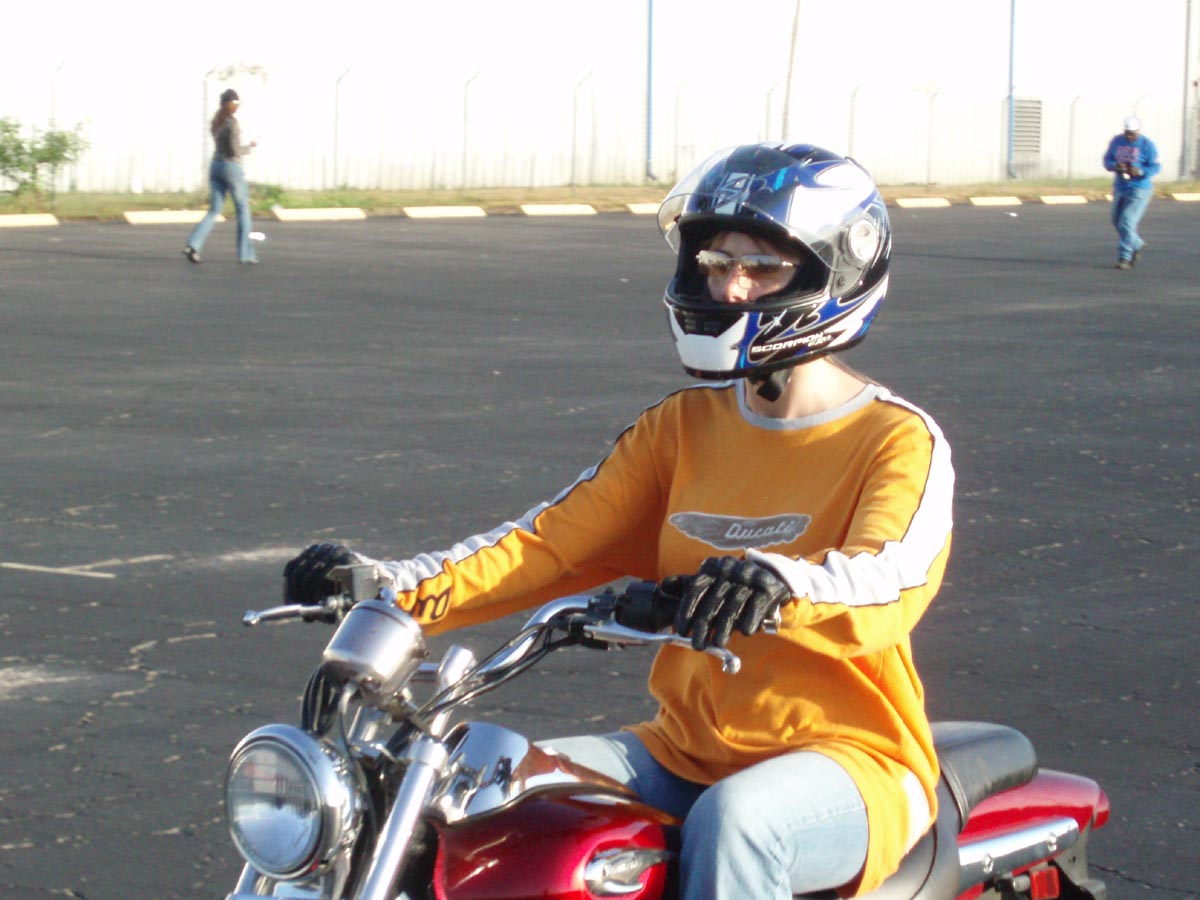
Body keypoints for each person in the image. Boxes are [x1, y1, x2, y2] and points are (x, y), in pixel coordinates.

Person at [283, 143, 955, 899]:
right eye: (716, 263)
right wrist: (384, 586)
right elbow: (548, 544)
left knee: (738, 822)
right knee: (495, 788)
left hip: (853, 758)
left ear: (833, 274)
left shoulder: (896, 439)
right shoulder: (682, 428)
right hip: (682, 750)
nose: (730, 287)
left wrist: (776, 584)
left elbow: (891, 576)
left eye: (761, 268)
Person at [182, 88, 258, 264]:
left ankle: (193, 244)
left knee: (214, 210)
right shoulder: (232, 124)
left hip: (215, 166)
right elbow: (234, 150)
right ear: (233, 105)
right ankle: (246, 254)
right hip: (231, 167)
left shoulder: (216, 122)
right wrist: (249, 147)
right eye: (237, 103)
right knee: (243, 210)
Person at [1102, 116, 1160, 270]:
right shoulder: (1117, 141)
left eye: (1132, 134)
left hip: (1139, 188)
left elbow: (1155, 167)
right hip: (1121, 187)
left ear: (1138, 131)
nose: (1129, 137)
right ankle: (1137, 243)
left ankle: (1125, 257)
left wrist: (1139, 171)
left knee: (1127, 221)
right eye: (1127, 133)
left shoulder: (1147, 145)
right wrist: (1116, 165)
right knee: (1117, 221)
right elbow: (1107, 160)